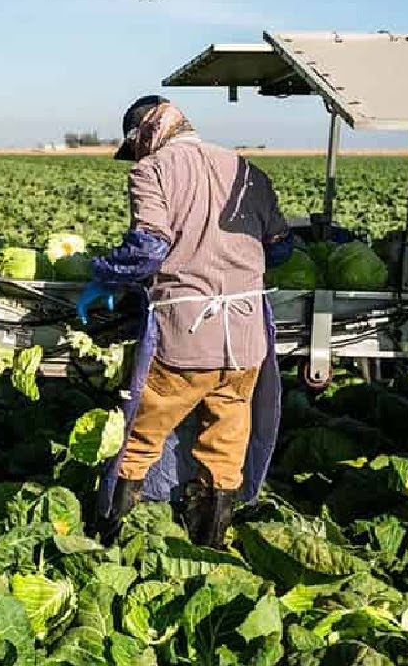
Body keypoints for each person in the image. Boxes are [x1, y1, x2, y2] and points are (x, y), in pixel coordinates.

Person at [77, 96, 292, 548]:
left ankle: (108, 540)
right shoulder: (246, 171)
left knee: (139, 438)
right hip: (247, 339)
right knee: (226, 444)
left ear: (145, 135)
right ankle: (209, 547)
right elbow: (280, 248)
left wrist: (106, 277)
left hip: (187, 336)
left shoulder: (153, 170)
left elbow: (150, 248)